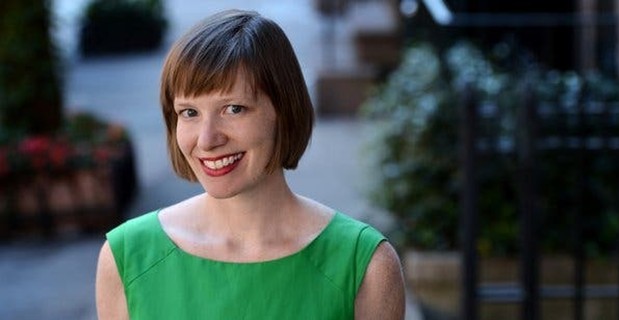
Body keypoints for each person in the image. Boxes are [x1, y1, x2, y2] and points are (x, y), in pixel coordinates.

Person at [95, 9, 405, 319]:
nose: (206, 139)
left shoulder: (364, 265)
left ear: (284, 111)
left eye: (234, 108)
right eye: (189, 113)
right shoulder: (127, 259)